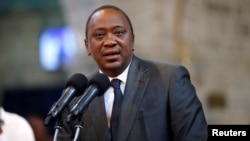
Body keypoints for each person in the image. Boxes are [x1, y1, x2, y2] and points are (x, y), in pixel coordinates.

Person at [57, 5, 208, 141]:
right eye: (99, 35)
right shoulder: (76, 97)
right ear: (87, 46)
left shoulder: (170, 79)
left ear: (132, 40)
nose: (110, 41)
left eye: (119, 32)